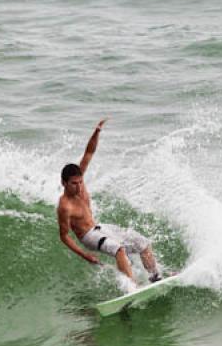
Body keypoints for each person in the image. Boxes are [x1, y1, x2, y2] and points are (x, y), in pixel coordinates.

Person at [56, 119, 161, 288]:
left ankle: (155, 277)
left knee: (142, 243)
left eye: (80, 182)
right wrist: (85, 255)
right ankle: (132, 288)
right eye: (74, 184)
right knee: (118, 249)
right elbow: (64, 236)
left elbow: (89, 153)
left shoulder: (80, 182)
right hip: (88, 236)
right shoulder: (64, 206)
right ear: (64, 183)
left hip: (100, 227)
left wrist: (97, 132)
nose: (79, 186)